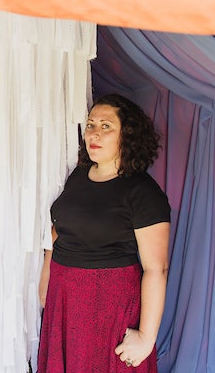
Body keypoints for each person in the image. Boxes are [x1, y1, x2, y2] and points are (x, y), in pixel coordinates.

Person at [37, 94, 171, 372]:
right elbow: (58, 230)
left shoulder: (143, 192)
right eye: (90, 125)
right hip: (65, 296)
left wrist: (146, 337)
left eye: (106, 126)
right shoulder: (79, 175)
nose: (94, 133)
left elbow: (157, 269)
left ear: (128, 135)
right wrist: (47, 277)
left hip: (108, 303)